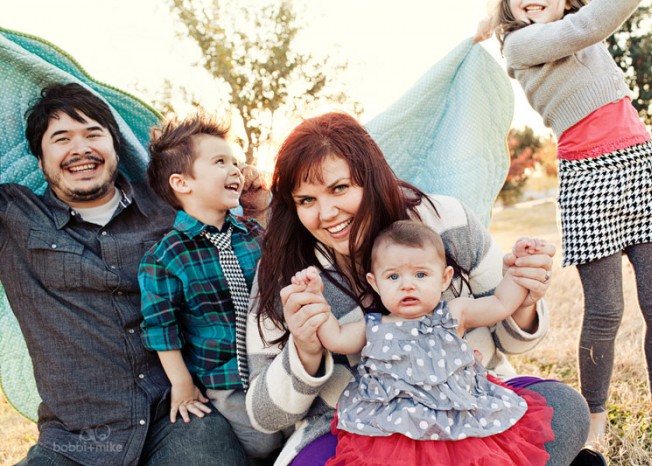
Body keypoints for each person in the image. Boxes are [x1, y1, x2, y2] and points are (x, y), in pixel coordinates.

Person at [245, 112, 590, 466]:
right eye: (306, 200)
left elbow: (509, 334)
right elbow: (264, 416)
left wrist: (524, 291)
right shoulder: (287, 274)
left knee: (565, 409)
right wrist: (305, 349)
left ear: (371, 177)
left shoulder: (445, 220)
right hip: (354, 429)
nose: (327, 213)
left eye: (340, 188)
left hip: (467, 404)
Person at [0, 83, 262, 465]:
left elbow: (243, 236)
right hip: (75, 440)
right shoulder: (15, 216)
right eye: (61, 139)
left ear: (115, 147)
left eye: (93, 134)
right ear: (40, 161)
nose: (80, 149)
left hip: (179, 414)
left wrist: (257, 199)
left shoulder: (171, 205)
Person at [475, 0, 652, 445]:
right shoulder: (520, 44)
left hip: (641, 165)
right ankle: (594, 414)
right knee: (606, 310)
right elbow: (587, 26)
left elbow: (585, 20)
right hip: (588, 179)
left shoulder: (578, 24)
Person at [290, 222, 554, 465]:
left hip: (455, 418)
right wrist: (316, 300)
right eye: (393, 277)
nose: (407, 286)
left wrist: (519, 271)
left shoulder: (454, 313)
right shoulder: (374, 327)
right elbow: (335, 338)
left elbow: (501, 304)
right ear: (375, 283)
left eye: (420, 275)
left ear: (444, 278)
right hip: (395, 430)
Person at [138, 114, 283, 459]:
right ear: (182, 183)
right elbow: (161, 326)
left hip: (275, 362)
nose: (236, 170)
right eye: (220, 162)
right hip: (225, 379)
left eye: (235, 162)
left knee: (294, 426)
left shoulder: (253, 233)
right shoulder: (165, 256)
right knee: (261, 444)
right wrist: (182, 383)